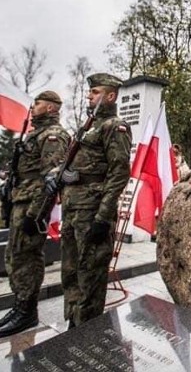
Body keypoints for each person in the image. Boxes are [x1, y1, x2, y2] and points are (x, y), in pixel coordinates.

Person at [0, 91, 70, 338]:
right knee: (15, 255)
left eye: (38, 103)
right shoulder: (34, 133)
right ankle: (19, 306)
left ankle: (27, 311)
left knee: (27, 257)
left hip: (32, 206)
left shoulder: (53, 136)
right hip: (20, 201)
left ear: (52, 108)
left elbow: (51, 179)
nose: (33, 107)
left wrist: (36, 215)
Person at [60, 73, 131, 327]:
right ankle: (73, 321)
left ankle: (87, 329)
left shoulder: (115, 126)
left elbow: (120, 172)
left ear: (110, 96)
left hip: (92, 212)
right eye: (90, 92)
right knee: (70, 271)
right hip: (74, 210)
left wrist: (103, 215)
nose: (89, 96)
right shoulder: (88, 126)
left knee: (90, 271)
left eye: (95, 92)